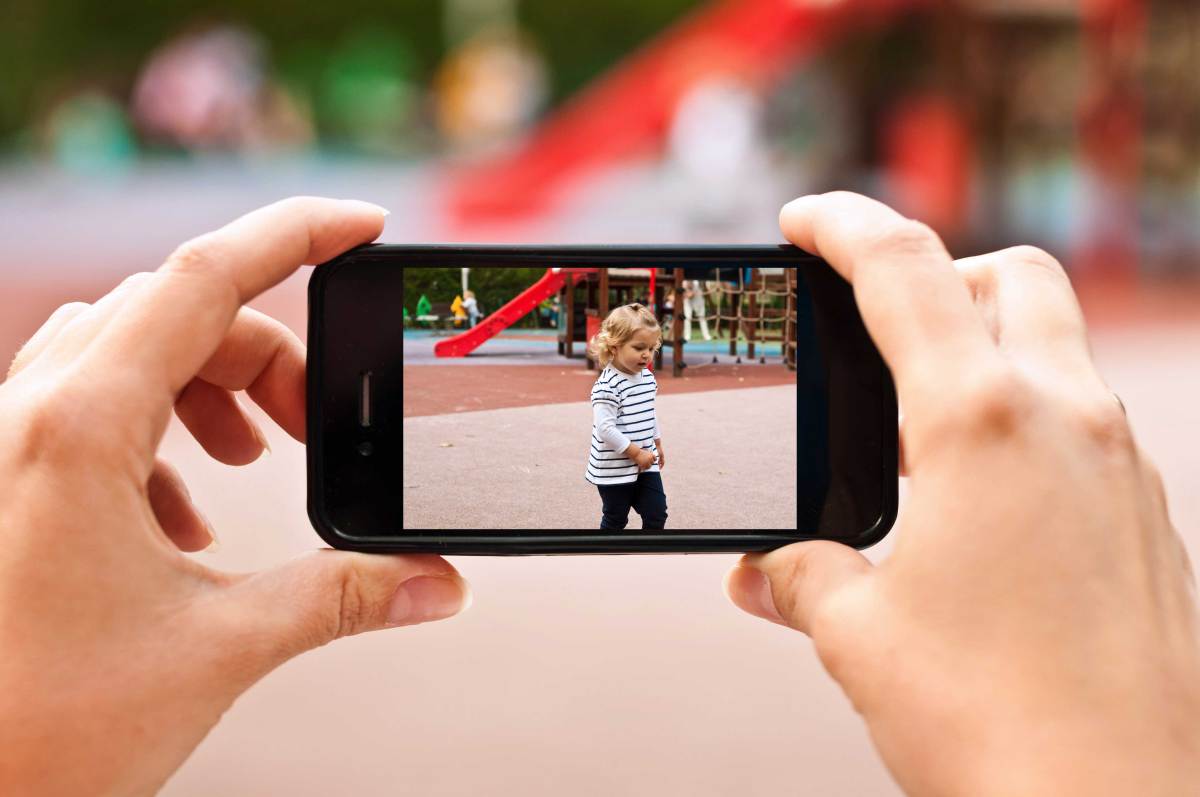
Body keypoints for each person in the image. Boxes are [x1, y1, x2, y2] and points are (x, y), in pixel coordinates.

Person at [0, 193, 1195, 794]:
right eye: (623, 350)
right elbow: (618, 424)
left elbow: (638, 420)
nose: (629, 360)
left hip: (640, 475)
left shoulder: (627, 390)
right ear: (612, 353)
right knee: (638, 506)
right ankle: (647, 505)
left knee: (647, 506)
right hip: (626, 476)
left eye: (633, 350)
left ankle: (648, 505)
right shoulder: (607, 393)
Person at [585, 304, 668, 530]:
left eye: (652, 348)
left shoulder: (647, 378)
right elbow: (605, 429)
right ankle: (608, 558)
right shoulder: (607, 386)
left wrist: (657, 443)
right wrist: (636, 453)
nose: (646, 354)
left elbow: (649, 413)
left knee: (657, 513)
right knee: (616, 519)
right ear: (614, 346)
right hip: (614, 467)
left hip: (645, 462)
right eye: (639, 347)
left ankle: (646, 556)